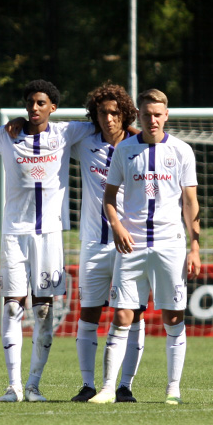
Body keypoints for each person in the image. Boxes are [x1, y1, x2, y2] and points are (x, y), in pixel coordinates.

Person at [0, 79, 96, 402]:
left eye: (41, 103)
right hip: (14, 233)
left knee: (43, 311)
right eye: (30, 103)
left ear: (52, 108)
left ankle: (33, 385)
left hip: (50, 234)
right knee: (13, 307)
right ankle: (12, 386)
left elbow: (106, 122)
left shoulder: (68, 132)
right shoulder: (6, 134)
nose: (34, 108)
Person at [89, 89, 201, 405]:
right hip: (131, 245)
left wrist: (195, 247)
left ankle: (173, 390)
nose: (152, 120)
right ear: (138, 115)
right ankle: (108, 389)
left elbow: (191, 203)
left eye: (157, 114)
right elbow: (109, 199)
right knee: (123, 316)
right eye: (147, 114)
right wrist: (117, 227)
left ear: (166, 116)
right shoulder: (124, 150)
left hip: (170, 245)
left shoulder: (182, 151)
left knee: (173, 317)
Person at [69, 84, 145, 403]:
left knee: (133, 314)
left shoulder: (138, 145)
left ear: (125, 114)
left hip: (131, 245)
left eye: (115, 113)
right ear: (95, 116)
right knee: (88, 314)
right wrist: (18, 123)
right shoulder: (85, 142)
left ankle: (124, 386)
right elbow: (49, 128)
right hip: (92, 244)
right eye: (103, 112)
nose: (109, 118)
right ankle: (88, 385)